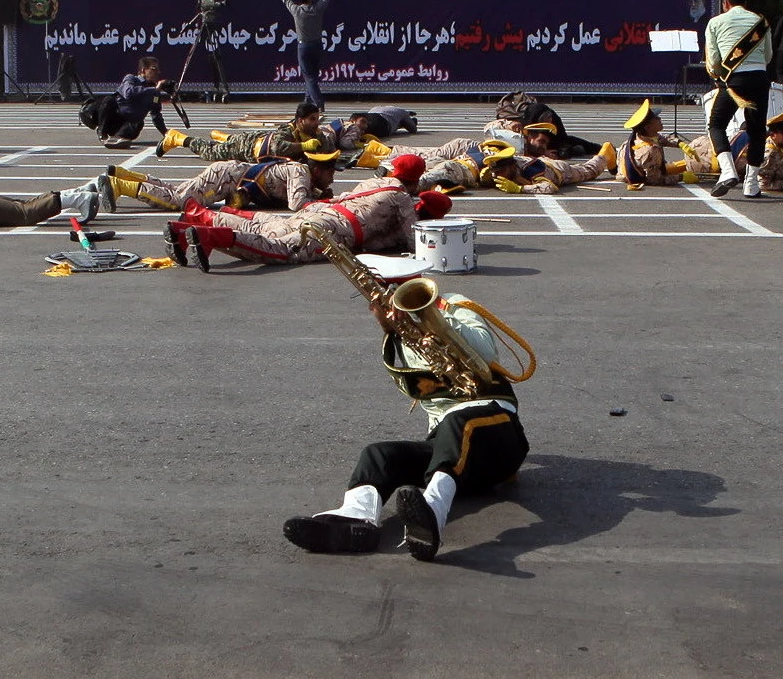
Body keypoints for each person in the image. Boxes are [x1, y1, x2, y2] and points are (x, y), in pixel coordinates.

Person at [279, 251, 528, 560]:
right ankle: (355, 521)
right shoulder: (399, 340)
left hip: (498, 432)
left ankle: (432, 514)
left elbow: (486, 353)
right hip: (457, 459)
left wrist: (439, 330)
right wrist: (396, 333)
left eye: (381, 301)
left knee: (459, 422)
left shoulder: (453, 307)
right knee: (379, 454)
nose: (378, 310)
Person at [170, 182, 449, 273]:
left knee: (267, 225)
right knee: (282, 250)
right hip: (334, 229)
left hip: (320, 210)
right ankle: (213, 237)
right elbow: (416, 245)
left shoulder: (380, 183)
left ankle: (197, 216)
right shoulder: (403, 213)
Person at [99, 144, 338, 214]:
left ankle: (124, 174)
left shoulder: (302, 175)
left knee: (178, 190)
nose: (332, 179)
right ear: (317, 170)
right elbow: (297, 204)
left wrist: (318, 194)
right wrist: (323, 203)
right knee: (179, 201)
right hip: (227, 179)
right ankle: (121, 185)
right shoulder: (300, 172)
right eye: (330, 173)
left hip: (229, 176)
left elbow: (293, 194)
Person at [704, 0, 774, 199]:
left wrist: (717, 75)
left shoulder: (715, 22)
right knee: (757, 131)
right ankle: (751, 185)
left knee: (716, 124)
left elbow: (713, 59)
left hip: (734, 81)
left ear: (725, 4)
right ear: (745, 2)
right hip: (760, 79)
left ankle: (727, 172)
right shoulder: (761, 22)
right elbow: (768, 55)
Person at [268, 0, 342, 109]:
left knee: (309, 77)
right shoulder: (317, 9)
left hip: (303, 46)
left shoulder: (296, 10)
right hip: (317, 45)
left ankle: (318, 103)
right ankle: (307, 101)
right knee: (313, 76)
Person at [163, 102, 324, 162]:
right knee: (210, 152)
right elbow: (278, 147)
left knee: (228, 141)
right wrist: (304, 145)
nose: (316, 123)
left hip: (256, 139)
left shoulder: (314, 133)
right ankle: (177, 138)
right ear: (300, 121)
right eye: (312, 119)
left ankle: (223, 137)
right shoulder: (287, 130)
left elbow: (327, 148)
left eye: (317, 118)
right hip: (247, 149)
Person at [608, 101, 688, 187]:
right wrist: (681, 177)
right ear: (648, 127)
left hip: (630, 169)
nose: (660, 119)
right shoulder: (650, 151)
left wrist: (680, 143)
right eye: (656, 118)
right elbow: (654, 180)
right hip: (639, 175)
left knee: (686, 164)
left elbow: (662, 139)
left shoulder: (641, 136)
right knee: (690, 166)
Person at [98, 56, 171, 147]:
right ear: (143, 70)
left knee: (139, 123)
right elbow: (128, 92)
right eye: (154, 69)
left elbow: (156, 115)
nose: (157, 72)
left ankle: (118, 138)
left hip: (128, 124)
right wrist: (154, 90)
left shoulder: (155, 93)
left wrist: (166, 133)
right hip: (113, 118)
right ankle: (102, 132)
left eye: (158, 69)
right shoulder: (131, 78)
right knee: (108, 100)